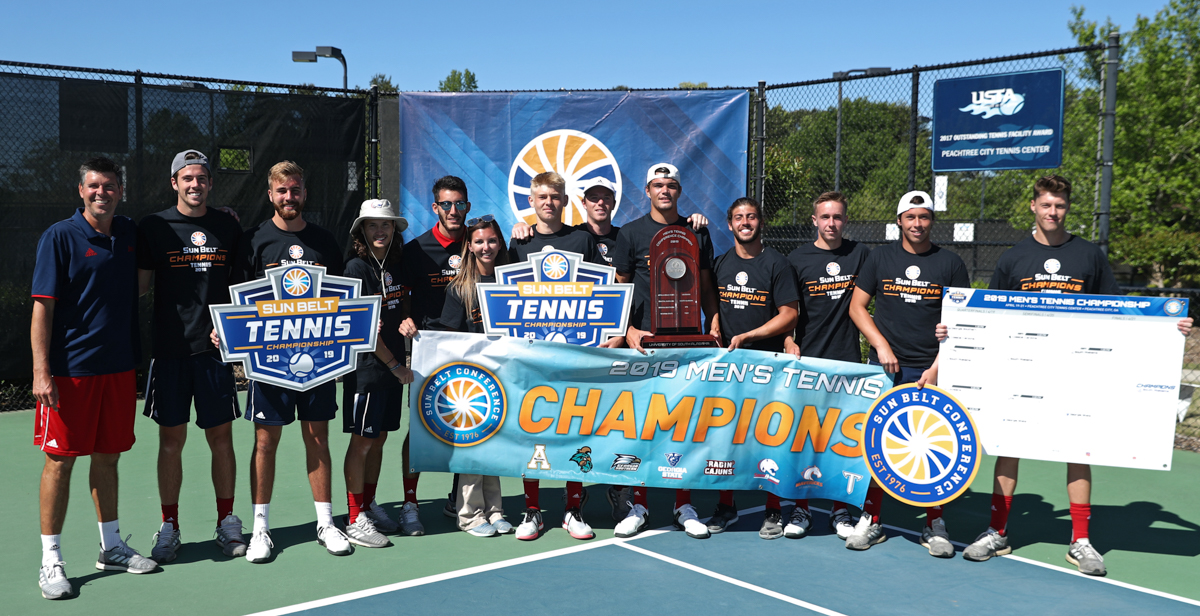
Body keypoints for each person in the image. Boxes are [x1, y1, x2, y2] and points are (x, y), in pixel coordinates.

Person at [952, 175, 1194, 575]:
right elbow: (986, 312)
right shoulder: (1013, 258)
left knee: (1078, 451)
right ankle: (997, 531)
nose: (1053, 212)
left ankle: (1080, 540)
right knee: (1009, 447)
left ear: (1067, 208)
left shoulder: (1089, 255)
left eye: (1060, 206)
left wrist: (1168, 327)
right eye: (1046, 205)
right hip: (1023, 371)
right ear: (1033, 206)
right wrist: (954, 331)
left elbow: (1119, 312)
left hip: (1077, 373)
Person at [512, 175, 709, 523]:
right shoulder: (553, 237)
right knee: (542, 426)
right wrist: (519, 229)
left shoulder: (613, 236)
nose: (600, 203)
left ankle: (618, 495)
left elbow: (608, 295)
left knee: (620, 423)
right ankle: (538, 507)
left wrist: (621, 331)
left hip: (610, 348)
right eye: (593, 197)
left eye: (606, 198)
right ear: (582, 202)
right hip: (549, 353)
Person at [32, 157, 156, 599]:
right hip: (70, 374)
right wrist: (41, 371)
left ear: (120, 190)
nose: (101, 192)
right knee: (60, 461)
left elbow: (140, 285)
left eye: (109, 186)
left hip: (119, 368)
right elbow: (42, 306)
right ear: (80, 191)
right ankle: (51, 560)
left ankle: (111, 546)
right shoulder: (60, 237)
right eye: (93, 186)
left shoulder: (127, 233)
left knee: (107, 457)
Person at [226, 161, 352, 562]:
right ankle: (260, 529)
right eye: (282, 191)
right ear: (270, 195)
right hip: (270, 363)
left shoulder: (324, 242)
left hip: (319, 361)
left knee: (318, 438)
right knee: (266, 442)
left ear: (304, 193)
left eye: (295, 190)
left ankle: (326, 523)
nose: (289, 197)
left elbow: (343, 299)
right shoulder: (254, 242)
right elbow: (238, 299)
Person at [136, 150, 246, 563]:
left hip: (215, 354)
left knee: (221, 438)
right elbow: (141, 287)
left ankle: (227, 521)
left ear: (210, 184)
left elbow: (240, 287)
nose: (195, 185)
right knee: (171, 441)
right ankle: (169, 526)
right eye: (187, 178)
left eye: (201, 178)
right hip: (169, 352)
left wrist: (230, 325)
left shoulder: (227, 227)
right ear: (174, 183)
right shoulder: (154, 227)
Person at [847, 190, 968, 558]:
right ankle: (872, 518)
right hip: (885, 370)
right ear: (899, 220)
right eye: (910, 217)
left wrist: (936, 367)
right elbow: (857, 306)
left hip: (930, 371)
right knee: (879, 446)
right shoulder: (879, 256)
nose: (917, 224)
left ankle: (934, 523)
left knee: (932, 448)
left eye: (924, 217)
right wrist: (880, 345)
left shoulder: (950, 263)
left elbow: (961, 322)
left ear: (933, 221)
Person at [608, 162, 720, 539]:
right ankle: (638, 504)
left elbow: (706, 286)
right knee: (642, 426)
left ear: (679, 191)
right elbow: (618, 291)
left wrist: (714, 321)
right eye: (658, 185)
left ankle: (682, 504)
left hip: (688, 342)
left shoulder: (697, 232)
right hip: (645, 344)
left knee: (685, 426)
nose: (664, 191)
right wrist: (628, 330)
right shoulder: (629, 233)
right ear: (648, 191)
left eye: (671, 185)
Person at [508, 171, 603, 541]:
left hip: (575, 358)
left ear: (565, 201)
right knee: (532, 432)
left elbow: (602, 293)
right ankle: (533, 510)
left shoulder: (582, 239)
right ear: (531, 201)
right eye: (542, 196)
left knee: (575, 432)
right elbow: (505, 296)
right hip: (532, 360)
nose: (549, 202)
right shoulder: (519, 241)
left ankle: (572, 508)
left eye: (556, 196)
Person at [705, 197, 801, 539]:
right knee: (726, 439)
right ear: (729, 225)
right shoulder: (720, 263)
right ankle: (726, 506)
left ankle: (773, 510)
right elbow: (712, 302)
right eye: (739, 218)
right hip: (731, 367)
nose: (745, 222)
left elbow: (789, 313)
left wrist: (750, 335)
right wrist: (715, 322)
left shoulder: (777, 263)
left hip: (768, 366)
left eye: (752, 217)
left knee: (769, 440)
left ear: (761, 223)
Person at [783, 191, 872, 541]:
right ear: (814, 221)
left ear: (845, 220)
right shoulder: (797, 258)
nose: (831, 223)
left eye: (837, 217)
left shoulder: (861, 255)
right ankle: (802, 508)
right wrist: (789, 339)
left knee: (840, 439)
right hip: (808, 361)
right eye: (825, 217)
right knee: (807, 437)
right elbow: (790, 308)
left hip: (848, 363)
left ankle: (839, 510)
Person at [396, 175, 470, 533]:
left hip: (474, 347)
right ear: (435, 207)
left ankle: (459, 498)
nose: (454, 211)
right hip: (430, 350)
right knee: (421, 428)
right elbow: (401, 297)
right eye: (447, 204)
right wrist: (406, 318)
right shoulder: (415, 251)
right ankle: (410, 503)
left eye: (460, 204)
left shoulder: (479, 242)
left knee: (473, 422)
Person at [432, 216, 514, 537]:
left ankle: (494, 511)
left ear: (500, 244)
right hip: (471, 384)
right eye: (479, 241)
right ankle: (469, 515)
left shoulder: (511, 283)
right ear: (470, 246)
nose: (486, 247)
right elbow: (448, 339)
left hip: (504, 378)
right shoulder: (459, 290)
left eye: (492, 241)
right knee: (473, 448)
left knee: (495, 449)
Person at [340, 199, 415, 549]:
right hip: (369, 371)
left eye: (386, 224)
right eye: (372, 225)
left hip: (393, 369)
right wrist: (397, 366)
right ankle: (355, 515)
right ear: (362, 232)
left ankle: (368, 504)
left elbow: (401, 314)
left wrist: (407, 324)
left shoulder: (398, 267)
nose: (380, 230)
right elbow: (365, 332)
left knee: (380, 438)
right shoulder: (356, 267)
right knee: (363, 440)